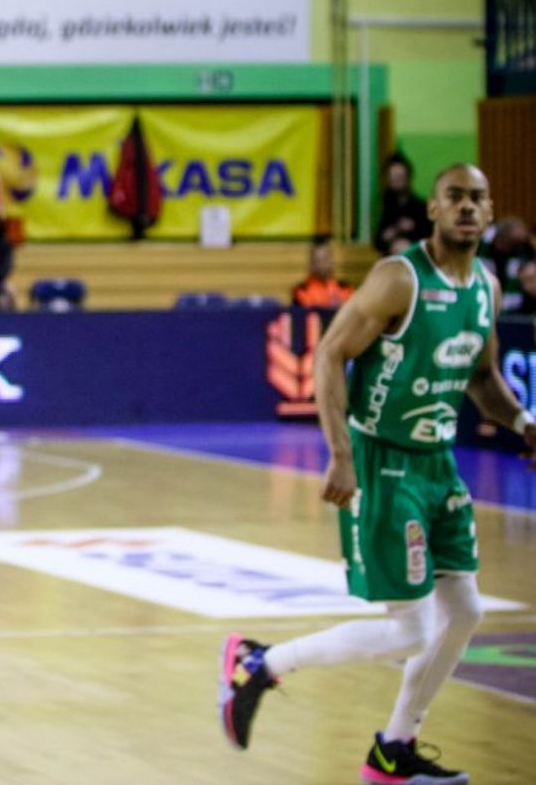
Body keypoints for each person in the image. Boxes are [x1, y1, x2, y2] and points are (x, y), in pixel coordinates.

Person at [219, 164, 536, 785]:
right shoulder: (399, 279)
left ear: (489, 209)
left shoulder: (487, 288)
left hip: (438, 462)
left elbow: (481, 378)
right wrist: (339, 452)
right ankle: (258, 664)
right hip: (382, 460)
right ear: (433, 210)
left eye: (476, 198)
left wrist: (524, 422)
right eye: (454, 197)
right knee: (411, 631)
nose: (466, 207)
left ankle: (394, 748)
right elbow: (329, 353)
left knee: (464, 611)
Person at [374, 154, 431, 255]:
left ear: (408, 178)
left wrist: (412, 230)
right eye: (393, 178)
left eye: (400, 177)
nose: (397, 182)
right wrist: (394, 231)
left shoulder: (420, 207)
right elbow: (378, 241)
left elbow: (429, 238)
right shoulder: (384, 206)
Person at [292, 238, 355, 309]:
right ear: (311, 264)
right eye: (318, 260)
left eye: (326, 258)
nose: (323, 264)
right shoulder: (302, 292)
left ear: (332, 260)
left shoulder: (346, 289)